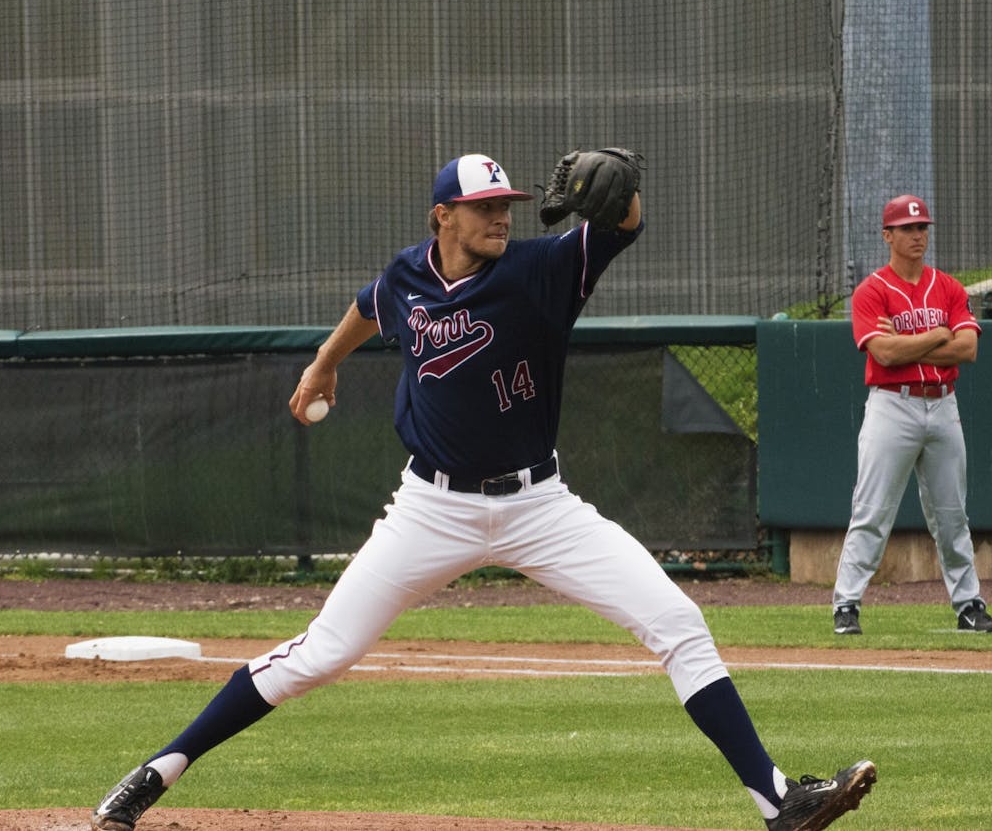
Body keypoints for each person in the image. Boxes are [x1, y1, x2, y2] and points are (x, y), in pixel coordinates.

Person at [89, 152, 875, 831]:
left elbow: (624, 226)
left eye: (506, 205)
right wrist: (325, 362)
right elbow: (372, 304)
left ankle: (779, 803)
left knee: (676, 619)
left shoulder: (538, 270)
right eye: (484, 208)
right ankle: (161, 769)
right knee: (322, 655)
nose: (502, 216)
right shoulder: (408, 274)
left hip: (541, 508)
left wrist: (623, 192)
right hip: (431, 509)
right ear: (443, 218)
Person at [832, 194, 992, 635]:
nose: (917, 235)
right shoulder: (871, 290)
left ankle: (969, 606)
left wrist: (917, 341)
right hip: (893, 405)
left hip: (944, 404)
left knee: (952, 515)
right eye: (908, 228)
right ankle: (846, 605)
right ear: (887, 235)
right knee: (871, 510)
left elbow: (967, 348)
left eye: (922, 227)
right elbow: (884, 353)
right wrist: (937, 333)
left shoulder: (947, 286)